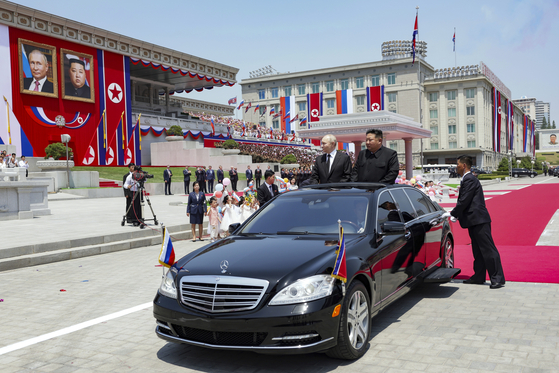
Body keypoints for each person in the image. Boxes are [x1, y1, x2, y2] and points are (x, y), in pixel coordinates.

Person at [448, 155, 505, 289]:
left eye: (457, 164)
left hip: (479, 220)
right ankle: (479, 276)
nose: (456, 167)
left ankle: (497, 278)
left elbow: (464, 200)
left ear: (464, 166)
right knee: (478, 250)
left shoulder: (469, 179)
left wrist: (453, 213)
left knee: (488, 249)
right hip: (474, 220)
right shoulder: (467, 179)